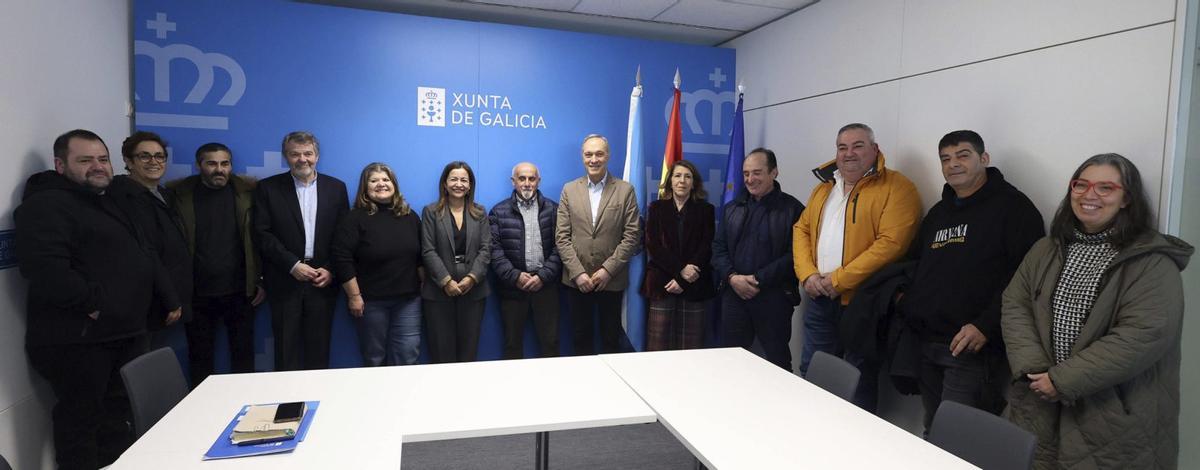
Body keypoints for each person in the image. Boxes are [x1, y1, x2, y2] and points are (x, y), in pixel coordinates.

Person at [1002, 153, 1191, 470]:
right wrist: (1034, 369)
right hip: (1040, 405)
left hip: (1113, 418)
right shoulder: (1045, 249)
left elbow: (1142, 334)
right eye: (1082, 185)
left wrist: (1061, 380)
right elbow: (1015, 305)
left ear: (1126, 199)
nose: (1090, 195)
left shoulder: (1152, 261)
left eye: (1106, 188)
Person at [15, 129, 180, 469]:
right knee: (82, 425)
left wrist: (164, 296)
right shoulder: (46, 205)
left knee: (116, 420)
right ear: (61, 165)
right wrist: (93, 304)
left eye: (102, 159)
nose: (97, 166)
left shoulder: (107, 200)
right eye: (85, 160)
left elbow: (142, 253)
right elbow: (44, 269)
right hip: (78, 341)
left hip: (122, 334)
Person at [896, 130, 1044, 433]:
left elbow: (1026, 277)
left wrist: (986, 326)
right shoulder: (938, 213)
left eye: (963, 155)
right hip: (927, 343)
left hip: (971, 348)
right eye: (945, 159)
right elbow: (915, 264)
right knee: (933, 430)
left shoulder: (1014, 208)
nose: (954, 164)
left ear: (984, 159)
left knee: (960, 440)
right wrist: (906, 301)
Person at [793, 123, 921, 411]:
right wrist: (808, 275)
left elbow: (891, 244)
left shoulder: (898, 188)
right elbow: (801, 229)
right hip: (818, 298)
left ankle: (857, 452)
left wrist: (838, 280)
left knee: (858, 381)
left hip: (863, 303)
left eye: (858, 146)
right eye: (842, 147)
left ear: (874, 149)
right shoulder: (824, 188)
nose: (849, 153)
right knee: (812, 372)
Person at [169, 142, 264, 386]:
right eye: (211, 163)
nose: (219, 169)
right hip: (197, 294)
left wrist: (260, 279)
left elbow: (260, 239)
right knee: (200, 360)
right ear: (199, 165)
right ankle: (202, 416)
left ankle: (246, 409)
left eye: (225, 163)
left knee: (243, 359)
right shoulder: (179, 196)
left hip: (241, 292)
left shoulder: (248, 193)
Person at [253, 131, 348, 370]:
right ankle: (288, 406)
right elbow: (262, 234)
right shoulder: (267, 188)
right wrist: (292, 265)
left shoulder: (336, 188)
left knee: (319, 352)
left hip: (322, 282)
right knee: (286, 353)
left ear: (317, 155)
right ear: (286, 157)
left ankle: (317, 403)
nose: (302, 159)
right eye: (295, 154)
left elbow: (343, 235)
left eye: (308, 153)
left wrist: (330, 268)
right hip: (285, 280)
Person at [712, 148, 804, 369]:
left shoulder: (794, 209)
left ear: (774, 172)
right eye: (745, 174)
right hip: (734, 296)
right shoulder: (731, 209)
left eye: (757, 173)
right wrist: (733, 278)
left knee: (777, 364)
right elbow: (718, 248)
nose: (750, 179)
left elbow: (796, 255)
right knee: (732, 364)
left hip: (774, 298)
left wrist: (757, 279)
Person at [555, 134, 642, 355]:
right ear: (582, 157)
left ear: (608, 156)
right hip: (577, 281)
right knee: (580, 340)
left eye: (599, 154)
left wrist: (607, 271)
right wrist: (578, 273)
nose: (594, 159)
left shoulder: (625, 190)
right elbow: (562, 237)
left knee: (611, 340)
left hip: (610, 281)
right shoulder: (569, 189)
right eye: (589, 154)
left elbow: (632, 236)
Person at [332, 162, 424, 366]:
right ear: (365, 187)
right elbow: (342, 259)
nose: (381, 184)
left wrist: (424, 287)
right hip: (371, 302)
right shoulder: (354, 218)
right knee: (374, 357)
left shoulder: (409, 215)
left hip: (408, 301)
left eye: (386, 179)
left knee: (408, 355)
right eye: (374, 181)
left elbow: (419, 257)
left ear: (394, 185)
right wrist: (354, 296)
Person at [109, 131, 191, 347]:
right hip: (147, 302)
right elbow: (147, 252)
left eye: (159, 156)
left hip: (164, 300)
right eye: (144, 156)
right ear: (129, 161)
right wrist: (170, 298)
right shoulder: (125, 198)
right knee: (140, 363)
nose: (153, 162)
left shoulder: (163, 194)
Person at [489, 162, 562, 359]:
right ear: (513, 182)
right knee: (512, 346)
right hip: (513, 289)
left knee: (550, 344)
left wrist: (543, 276)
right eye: (522, 178)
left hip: (546, 287)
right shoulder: (498, 212)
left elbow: (561, 246)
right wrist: (515, 277)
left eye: (532, 178)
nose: (527, 183)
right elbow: (494, 251)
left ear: (539, 181)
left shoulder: (554, 210)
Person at [641, 160, 716, 350]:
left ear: (694, 183)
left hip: (694, 284)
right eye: (677, 176)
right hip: (662, 284)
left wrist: (683, 280)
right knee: (657, 348)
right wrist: (680, 271)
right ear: (670, 181)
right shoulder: (656, 208)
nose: (682, 181)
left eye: (687, 176)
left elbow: (706, 247)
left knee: (690, 349)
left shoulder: (706, 210)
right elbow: (653, 246)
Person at [421, 161, 491, 363]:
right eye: (453, 179)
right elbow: (428, 249)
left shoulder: (480, 212)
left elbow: (486, 249)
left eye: (464, 180)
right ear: (444, 183)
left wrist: (472, 277)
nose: (458, 184)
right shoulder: (431, 212)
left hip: (474, 290)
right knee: (442, 351)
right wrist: (445, 281)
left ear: (470, 185)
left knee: (469, 350)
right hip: (438, 292)